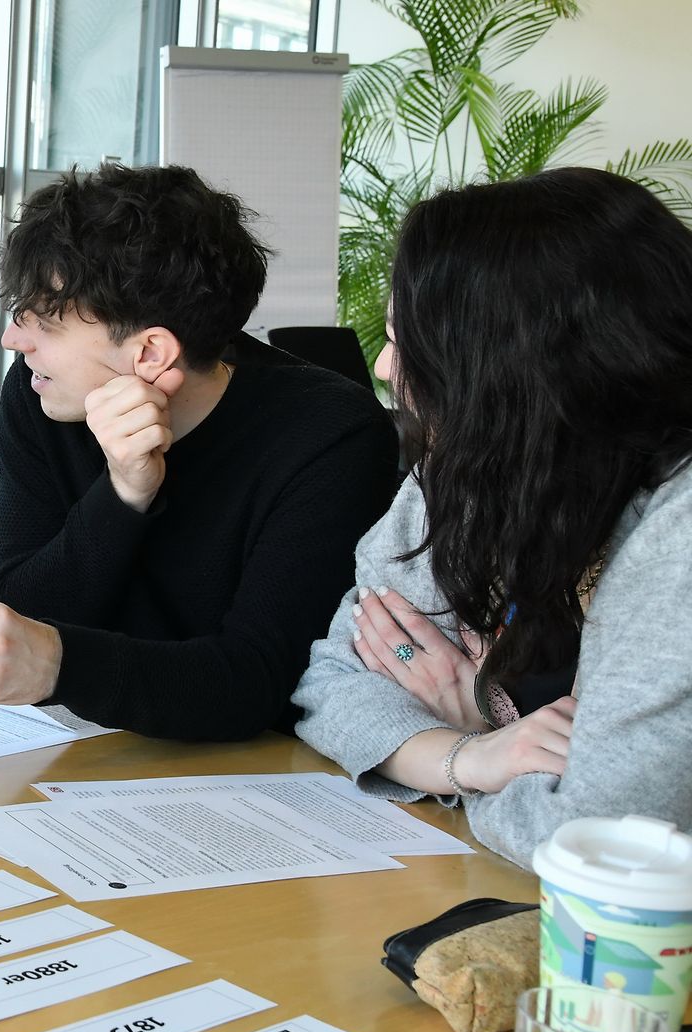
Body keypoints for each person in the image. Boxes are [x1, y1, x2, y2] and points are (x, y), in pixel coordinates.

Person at [0, 163, 399, 739]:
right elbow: (23, 610)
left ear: (150, 353)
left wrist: (61, 665)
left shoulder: (329, 434)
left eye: (43, 324)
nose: (14, 340)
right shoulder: (40, 393)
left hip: (262, 767)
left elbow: (260, 682)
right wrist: (122, 494)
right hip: (94, 741)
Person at [294, 167, 692, 867]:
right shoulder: (479, 466)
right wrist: (471, 757)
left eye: (404, 342)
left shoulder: (677, 531)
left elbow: (586, 836)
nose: (384, 368)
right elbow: (334, 678)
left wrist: (482, 727)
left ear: (510, 367)